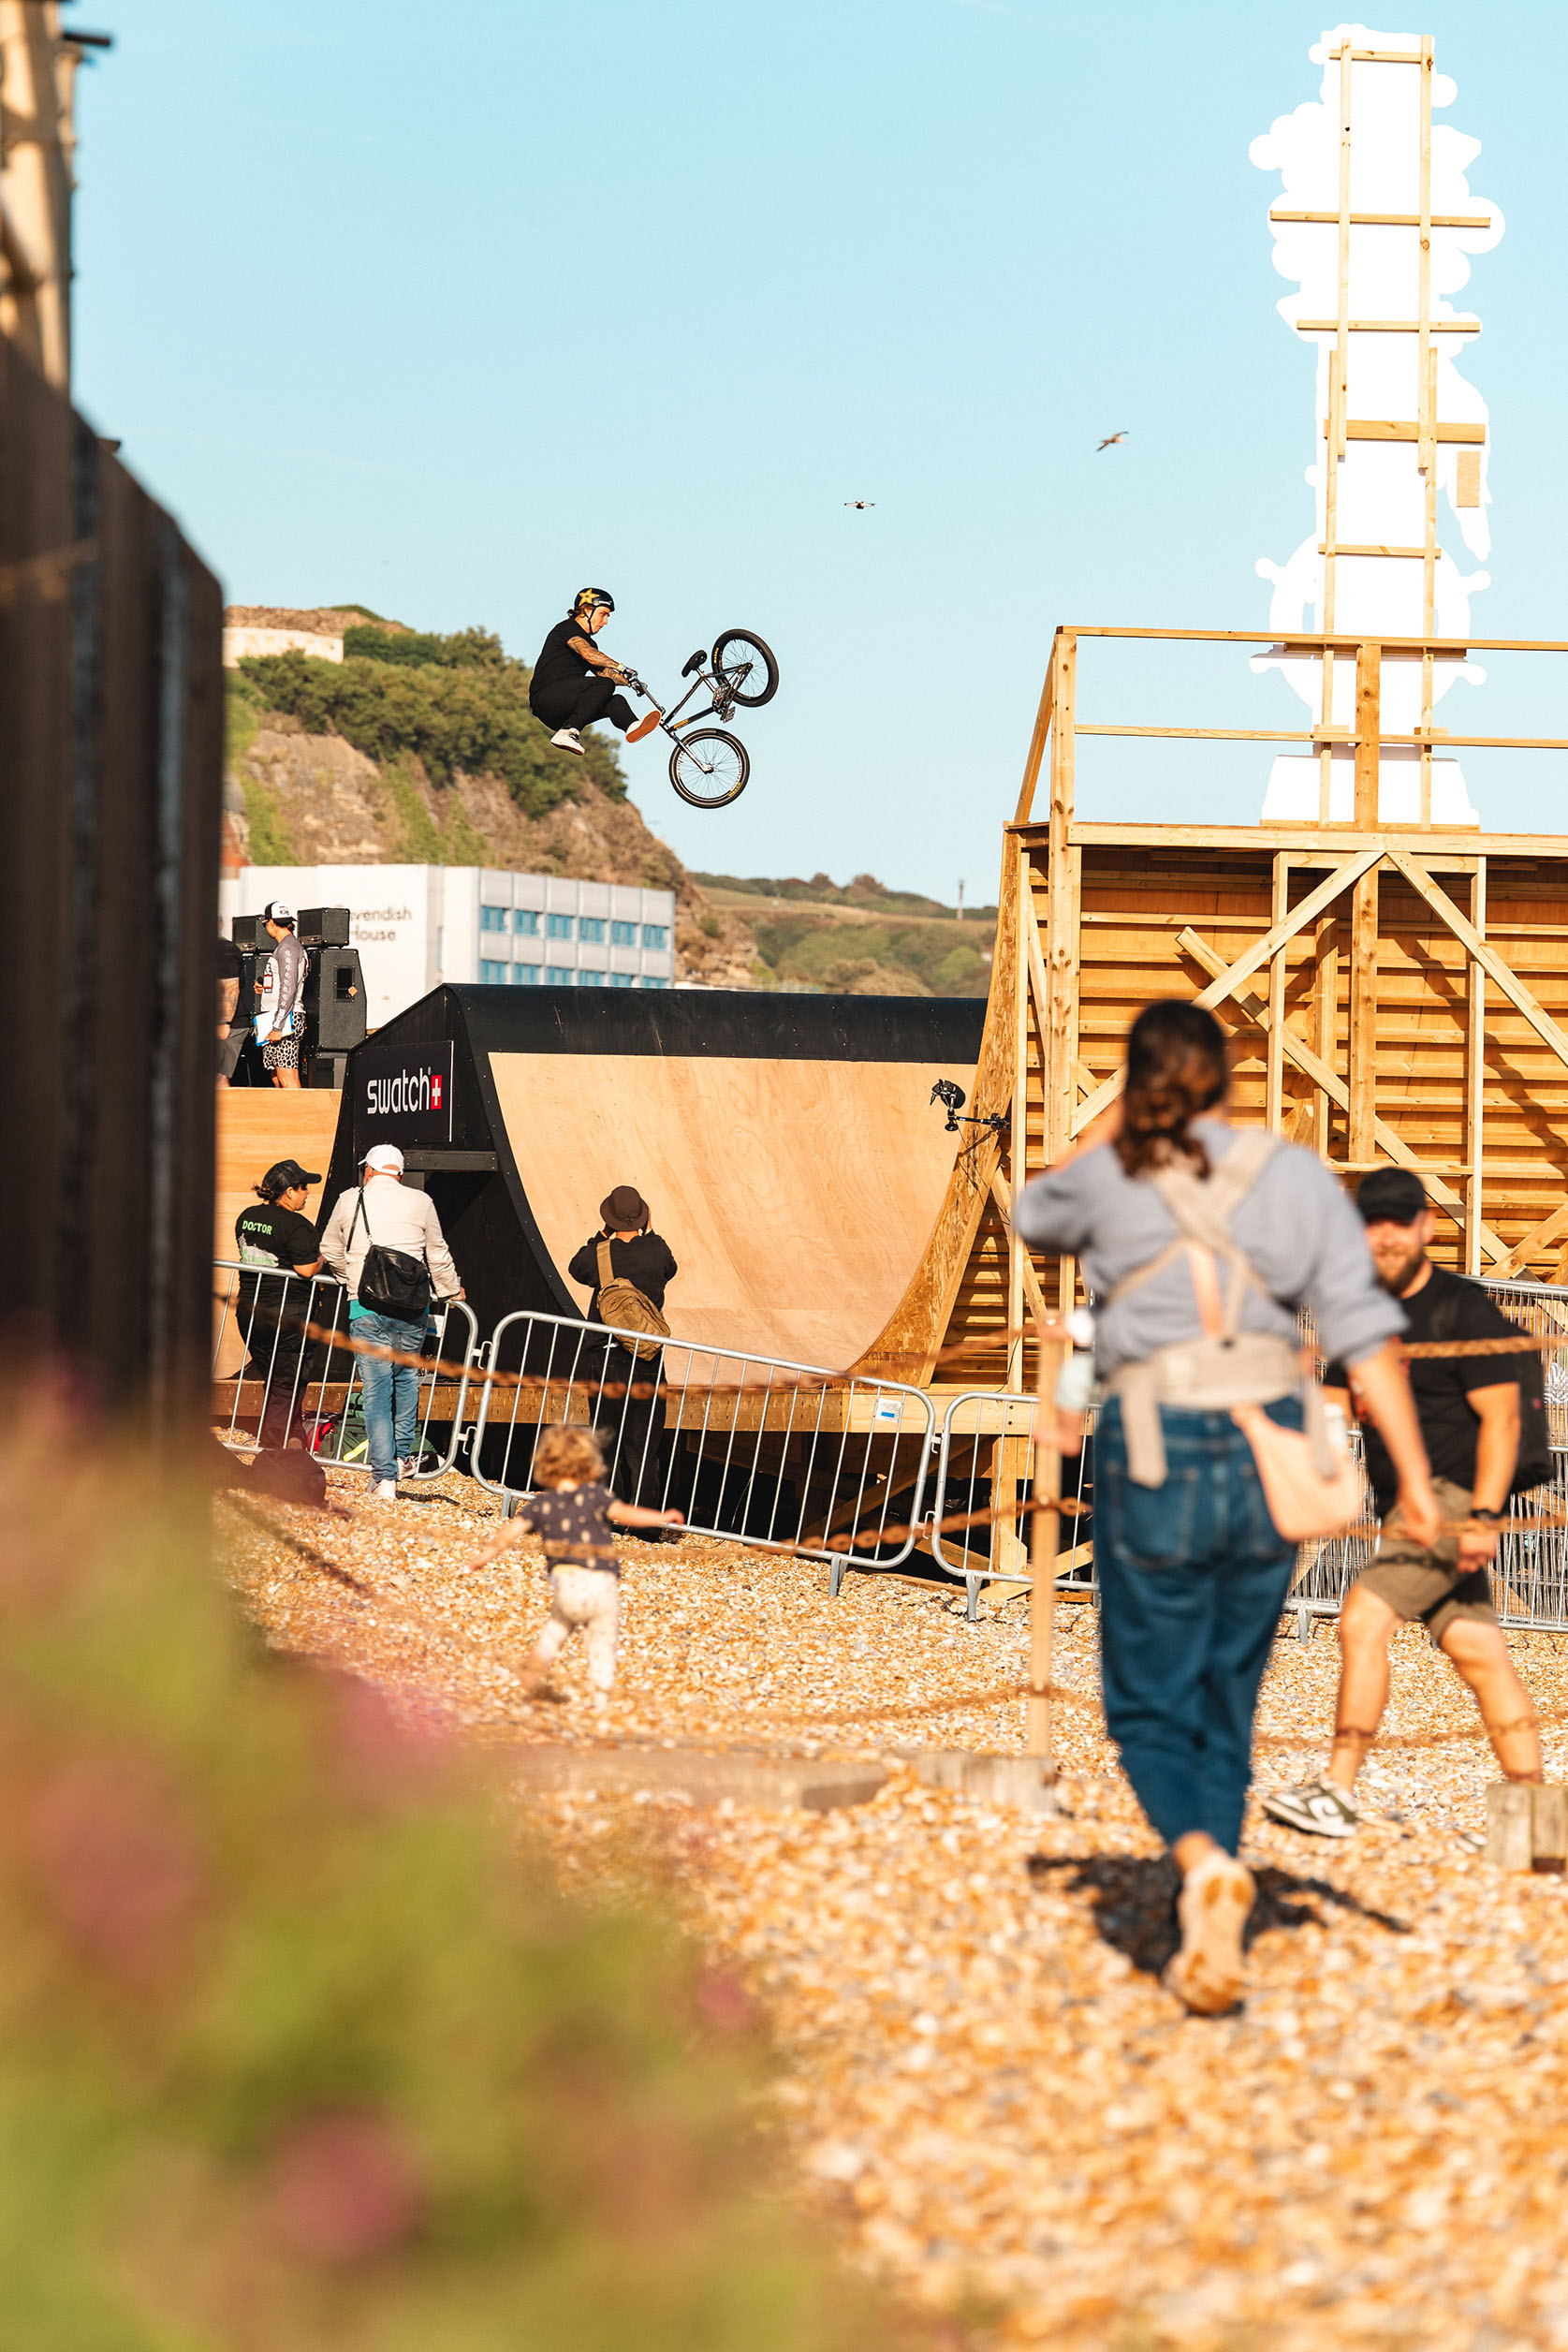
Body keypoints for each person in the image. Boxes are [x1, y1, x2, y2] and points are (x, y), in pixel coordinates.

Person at [1016, 1002, 1440, 2016]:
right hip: (1267, 1448)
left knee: (1146, 1699)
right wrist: (1417, 1481)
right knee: (1228, 1690)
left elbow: (1035, 1210)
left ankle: (1204, 1862)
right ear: (1227, 1078)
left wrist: (1123, 1120)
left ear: (1138, 1084)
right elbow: (1363, 1334)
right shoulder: (1292, 1175)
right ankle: (1220, 1866)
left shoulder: (1112, 1173)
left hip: (1153, 1440)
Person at [1265, 1169, 1544, 1838]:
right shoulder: (1357, 1315)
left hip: (1449, 1500)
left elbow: (1503, 1420)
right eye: (1372, 1223)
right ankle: (1537, 1822)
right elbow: (1332, 1411)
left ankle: (1336, 1792)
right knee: (1478, 1651)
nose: (1386, 1237)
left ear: (1425, 1227)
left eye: (1399, 1222)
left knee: (1361, 1622)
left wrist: (1483, 1515)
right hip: (1404, 1505)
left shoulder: (1460, 1310)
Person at [467, 1425, 682, 1701]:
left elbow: (509, 1533)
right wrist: (660, 1517)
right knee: (602, 1642)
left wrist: (482, 1558)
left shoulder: (543, 1504)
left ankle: (535, 1667)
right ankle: (600, 1697)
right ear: (590, 1463)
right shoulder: (596, 1497)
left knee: (556, 1629)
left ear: (546, 1462)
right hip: (601, 1585)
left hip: (567, 1586)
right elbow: (626, 1514)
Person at [319, 1144, 466, 1503]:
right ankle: (401, 1459)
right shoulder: (421, 1201)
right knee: (405, 1382)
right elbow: (437, 1253)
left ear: (369, 1170)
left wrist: (352, 1280)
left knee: (376, 1390)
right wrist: (451, 1290)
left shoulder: (350, 1199)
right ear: (399, 1173)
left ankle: (384, 1476)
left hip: (365, 1308)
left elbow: (330, 1248)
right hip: (412, 1309)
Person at [568, 1185, 678, 1508]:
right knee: (644, 1445)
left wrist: (602, 1235)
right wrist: (650, 1232)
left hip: (606, 1356)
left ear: (609, 1218)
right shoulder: (656, 1252)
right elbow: (670, 1268)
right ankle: (644, 1520)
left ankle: (606, 1513)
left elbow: (576, 1267)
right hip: (647, 1358)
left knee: (605, 1441)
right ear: (643, 1217)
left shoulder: (599, 1255)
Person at [233, 1159, 324, 1450]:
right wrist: (323, 1260)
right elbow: (306, 1269)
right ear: (289, 1192)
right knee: (287, 1384)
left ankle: (292, 1445)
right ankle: (274, 1451)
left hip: (250, 1312)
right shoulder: (297, 1225)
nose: (307, 1193)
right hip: (287, 1314)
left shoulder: (247, 1217)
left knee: (276, 1381)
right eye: (303, 1187)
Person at [528, 589, 658, 758]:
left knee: (615, 700)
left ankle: (632, 726)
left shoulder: (591, 643)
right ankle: (568, 732)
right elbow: (588, 653)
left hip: (559, 714)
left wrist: (629, 682)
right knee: (604, 686)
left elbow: (603, 673)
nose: (605, 622)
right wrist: (620, 667)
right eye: (603, 614)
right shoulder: (567, 628)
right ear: (586, 610)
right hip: (546, 698)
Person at [254, 901, 308, 1091]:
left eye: (265, 924)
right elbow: (283, 982)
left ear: (271, 923)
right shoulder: (285, 947)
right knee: (277, 1078)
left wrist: (278, 1026)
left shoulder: (288, 948)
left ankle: (301, 1111)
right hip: (274, 1016)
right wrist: (266, 988)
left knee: (287, 1077)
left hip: (285, 1018)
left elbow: (289, 987)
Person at [216, 934, 246, 1083]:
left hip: (229, 1025)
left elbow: (230, 987)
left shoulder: (224, 949)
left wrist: (224, 1022)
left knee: (219, 1079)